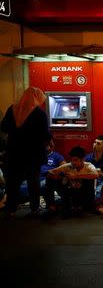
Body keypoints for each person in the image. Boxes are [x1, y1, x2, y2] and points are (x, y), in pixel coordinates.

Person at [1, 87, 51, 217]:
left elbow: (4, 127)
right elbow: (45, 134)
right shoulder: (39, 114)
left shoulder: (13, 109)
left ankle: (10, 208)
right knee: (33, 181)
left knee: (13, 182)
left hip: (14, 153)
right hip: (32, 154)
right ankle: (34, 208)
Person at [46, 146, 99, 217]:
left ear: (82, 159)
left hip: (84, 193)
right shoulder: (68, 166)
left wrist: (76, 176)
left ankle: (83, 206)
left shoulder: (88, 165)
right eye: (71, 160)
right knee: (50, 180)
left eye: (76, 160)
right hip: (70, 192)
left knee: (89, 179)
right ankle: (52, 207)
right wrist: (57, 176)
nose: (73, 162)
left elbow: (96, 175)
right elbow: (50, 172)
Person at [19, 137, 66, 202]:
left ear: (50, 146)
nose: (45, 147)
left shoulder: (57, 156)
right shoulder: (36, 156)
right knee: (20, 186)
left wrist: (55, 173)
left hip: (47, 178)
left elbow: (64, 168)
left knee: (33, 186)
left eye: (47, 145)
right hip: (35, 176)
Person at [84, 135, 103, 203]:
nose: (95, 145)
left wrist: (101, 174)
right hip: (90, 181)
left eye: (98, 144)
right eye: (94, 142)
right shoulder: (87, 158)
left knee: (102, 186)